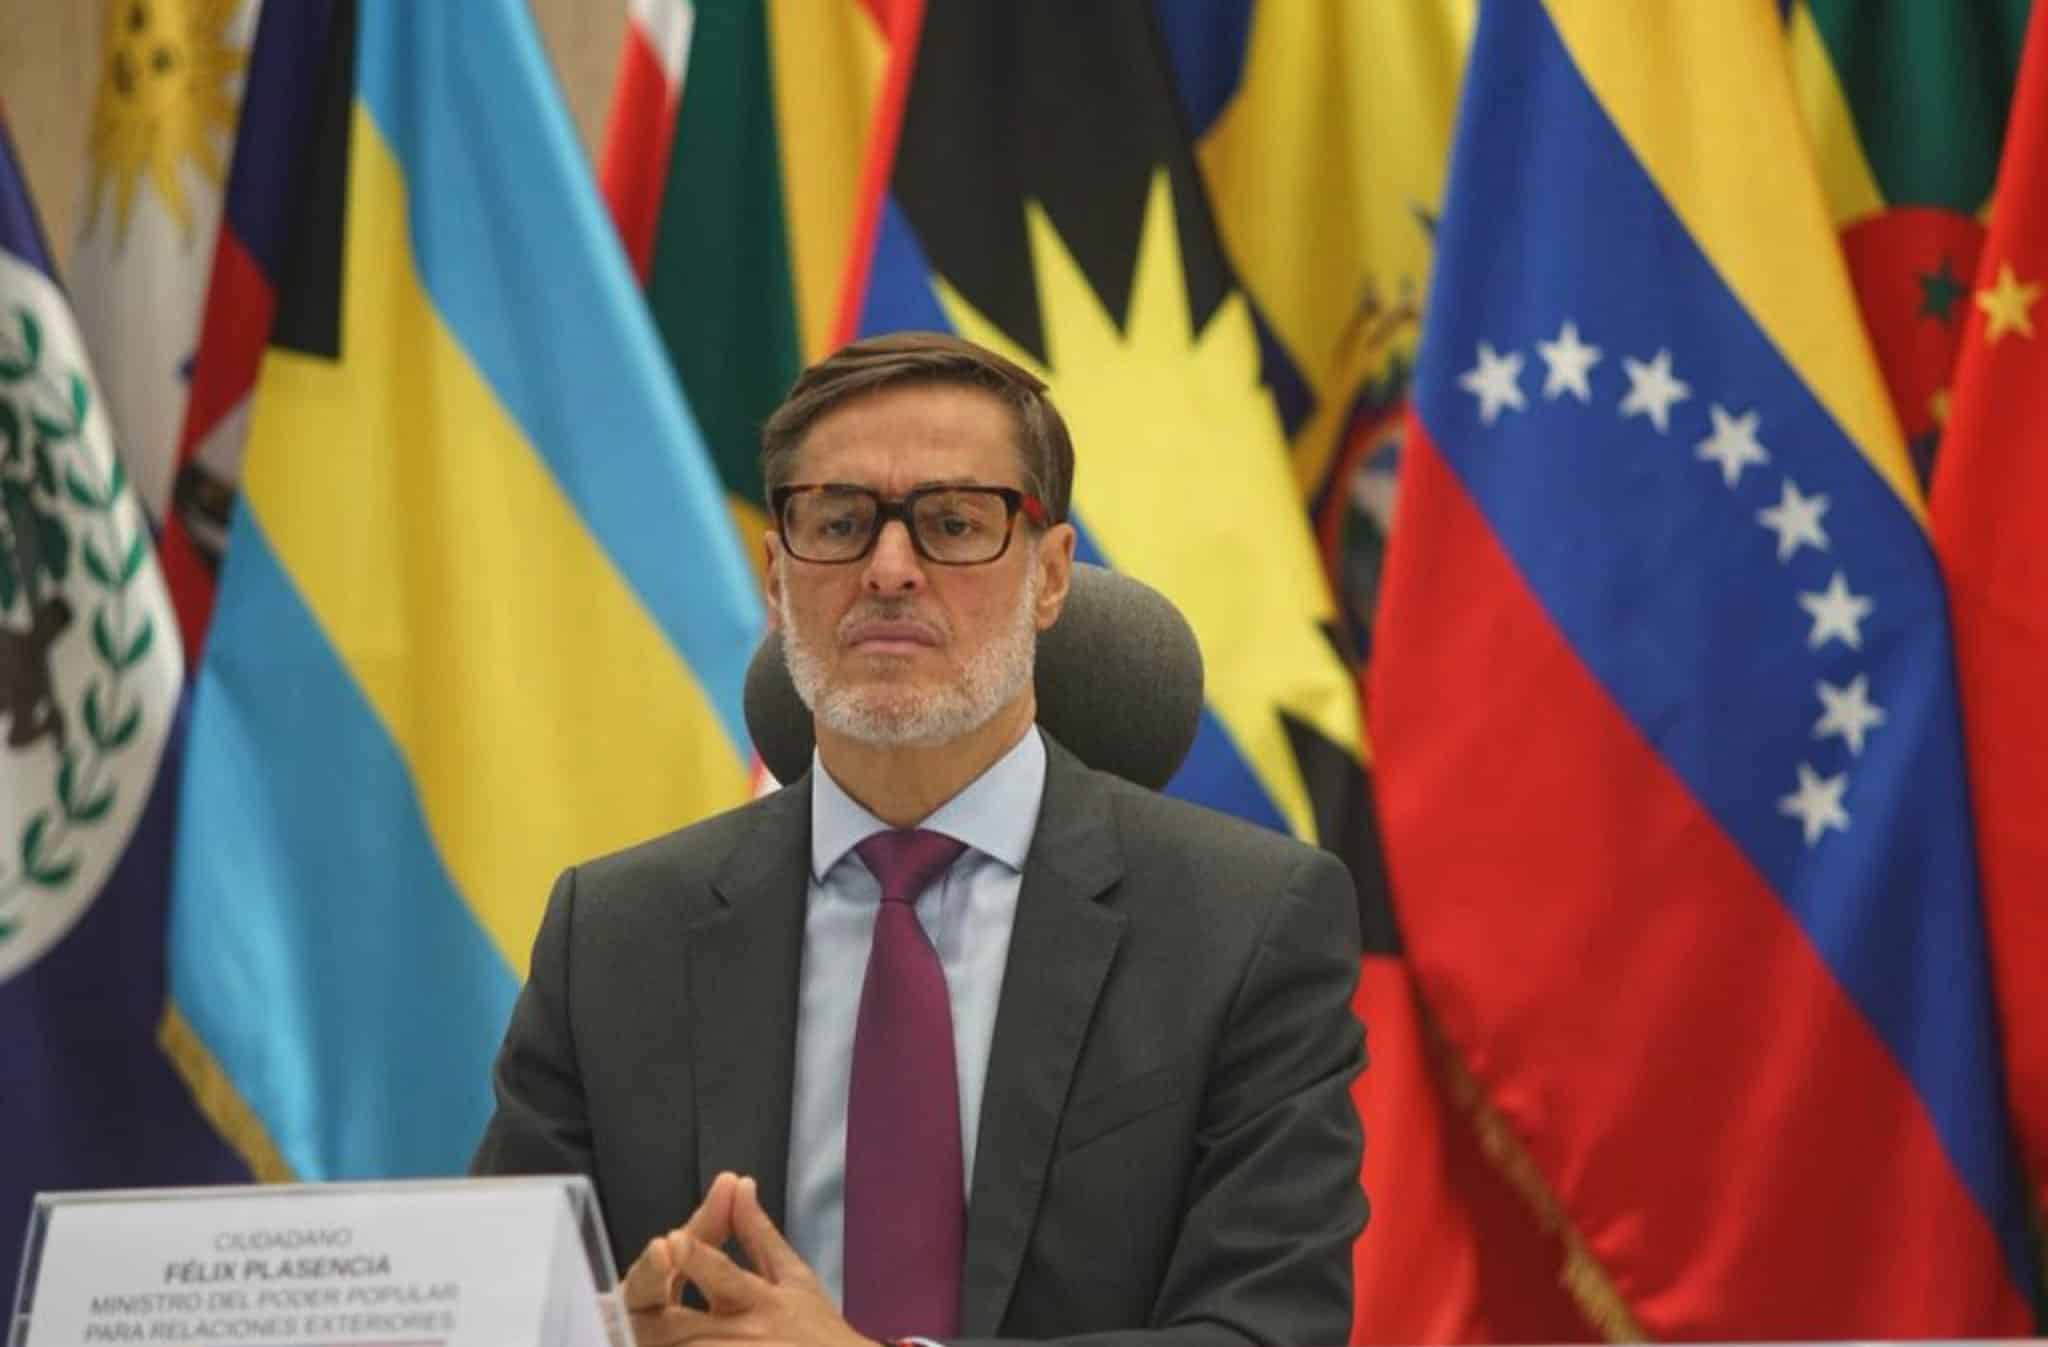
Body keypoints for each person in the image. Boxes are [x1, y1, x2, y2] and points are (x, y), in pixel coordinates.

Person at [472, 332, 1366, 1347]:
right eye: (838, 523)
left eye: (952, 524)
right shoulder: (612, 934)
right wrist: (600, 1332)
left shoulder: (1247, 925)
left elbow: (1267, 1330)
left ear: (1050, 576)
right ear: (777, 578)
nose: (888, 571)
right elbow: (499, 1313)